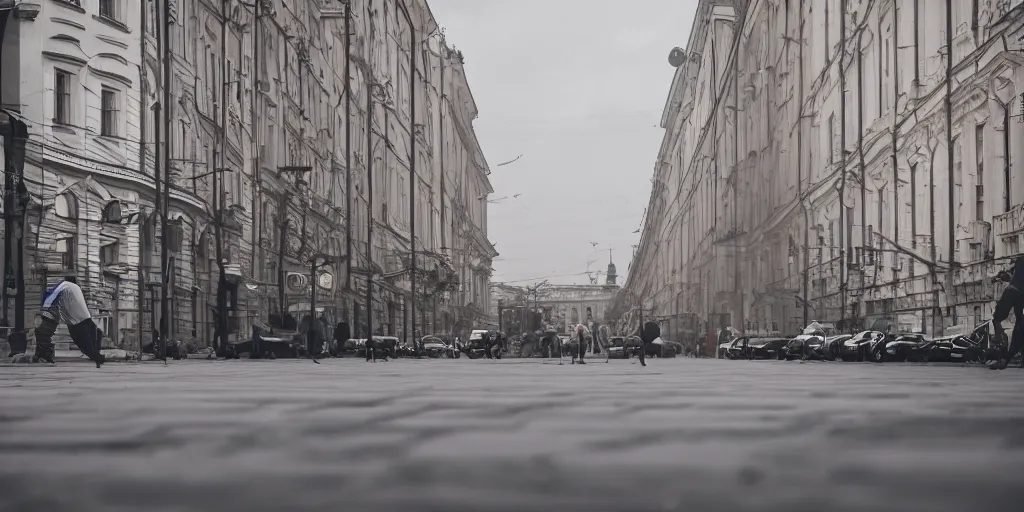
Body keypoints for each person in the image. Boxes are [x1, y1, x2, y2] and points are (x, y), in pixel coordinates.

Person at [33, 277, 105, 368]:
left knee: (84, 344)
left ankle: (98, 357)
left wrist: (45, 308)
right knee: (92, 339)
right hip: (86, 318)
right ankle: (97, 356)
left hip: (75, 323)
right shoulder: (76, 288)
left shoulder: (64, 285)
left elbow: (53, 295)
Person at [990, 257, 1024, 370]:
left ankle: (1001, 343)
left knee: (997, 320)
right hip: (1020, 295)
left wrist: (1000, 277)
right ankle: (1006, 358)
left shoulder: (1020, 261)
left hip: (1013, 291)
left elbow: (1009, 275)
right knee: (1020, 323)